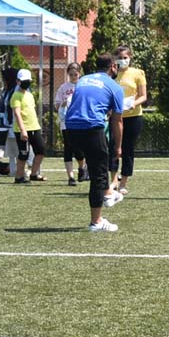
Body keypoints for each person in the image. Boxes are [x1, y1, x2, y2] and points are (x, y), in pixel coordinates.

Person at [64, 54, 123, 232]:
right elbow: (117, 121)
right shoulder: (115, 86)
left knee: (96, 164)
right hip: (91, 128)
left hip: (71, 129)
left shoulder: (83, 80)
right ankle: (96, 222)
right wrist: (118, 146)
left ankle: (108, 193)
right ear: (112, 66)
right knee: (98, 174)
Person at [110, 45, 147, 196]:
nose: (123, 60)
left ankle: (123, 182)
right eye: (120, 58)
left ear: (130, 58)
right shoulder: (111, 75)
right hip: (116, 117)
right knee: (113, 148)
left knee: (127, 149)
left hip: (133, 116)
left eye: (125, 58)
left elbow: (143, 95)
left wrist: (133, 104)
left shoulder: (138, 73)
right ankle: (113, 180)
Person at [9, 68, 46, 184]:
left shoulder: (29, 94)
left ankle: (34, 174)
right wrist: (22, 130)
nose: (26, 83)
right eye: (24, 81)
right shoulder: (16, 96)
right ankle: (19, 177)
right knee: (23, 154)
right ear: (18, 81)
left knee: (40, 151)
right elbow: (17, 113)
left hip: (34, 127)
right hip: (22, 129)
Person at [54, 62, 87, 187]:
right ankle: (70, 177)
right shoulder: (63, 88)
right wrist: (63, 103)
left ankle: (81, 167)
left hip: (80, 122)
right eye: (71, 74)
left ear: (80, 73)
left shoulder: (83, 86)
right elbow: (56, 105)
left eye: (76, 74)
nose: (73, 76)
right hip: (66, 122)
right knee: (68, 148)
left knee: (79, 149)